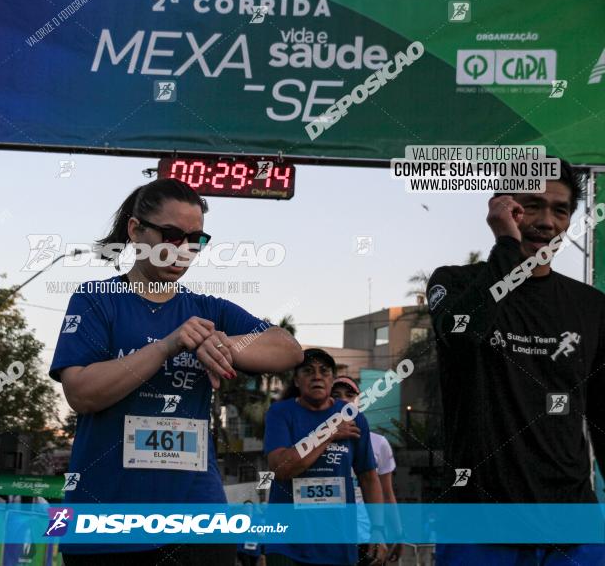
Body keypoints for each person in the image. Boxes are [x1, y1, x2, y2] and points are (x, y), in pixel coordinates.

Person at [49, 178, 304, 565]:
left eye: (196, 240)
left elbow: (288, 349)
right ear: (136, 231)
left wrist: (221, 343)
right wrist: (169, 345)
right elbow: (81, 393)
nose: (183, 251)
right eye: (171, 235)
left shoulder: (208, 310)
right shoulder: (95, 300)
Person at [427, 162, 605, 564]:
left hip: (575, 524)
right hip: (480, 525)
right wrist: (507, 245)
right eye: (531, 206)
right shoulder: (453, 283)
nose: (546, 221)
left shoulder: (592, 307)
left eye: (560, 210)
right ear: (503, 210)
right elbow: (460, 335)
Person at [264, 349, 388, 566]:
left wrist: (378, 529)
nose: (317, 376)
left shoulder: (353, 417)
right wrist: (329, 433)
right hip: (287, 542)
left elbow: (369, 477)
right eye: (308, 371)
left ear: (332, 379)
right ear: (296, 379)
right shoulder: (280, 413)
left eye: (324, 371)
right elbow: (281, 468)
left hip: (338, 541)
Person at [331, 377, 403, 565]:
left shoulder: (379, 443)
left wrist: (397, 533)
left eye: (350, 395)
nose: (344, 400)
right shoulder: (316, 441)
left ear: (359, 400)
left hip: (367, 537)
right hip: (330, 538)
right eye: (336, 395)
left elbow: (387, 494)